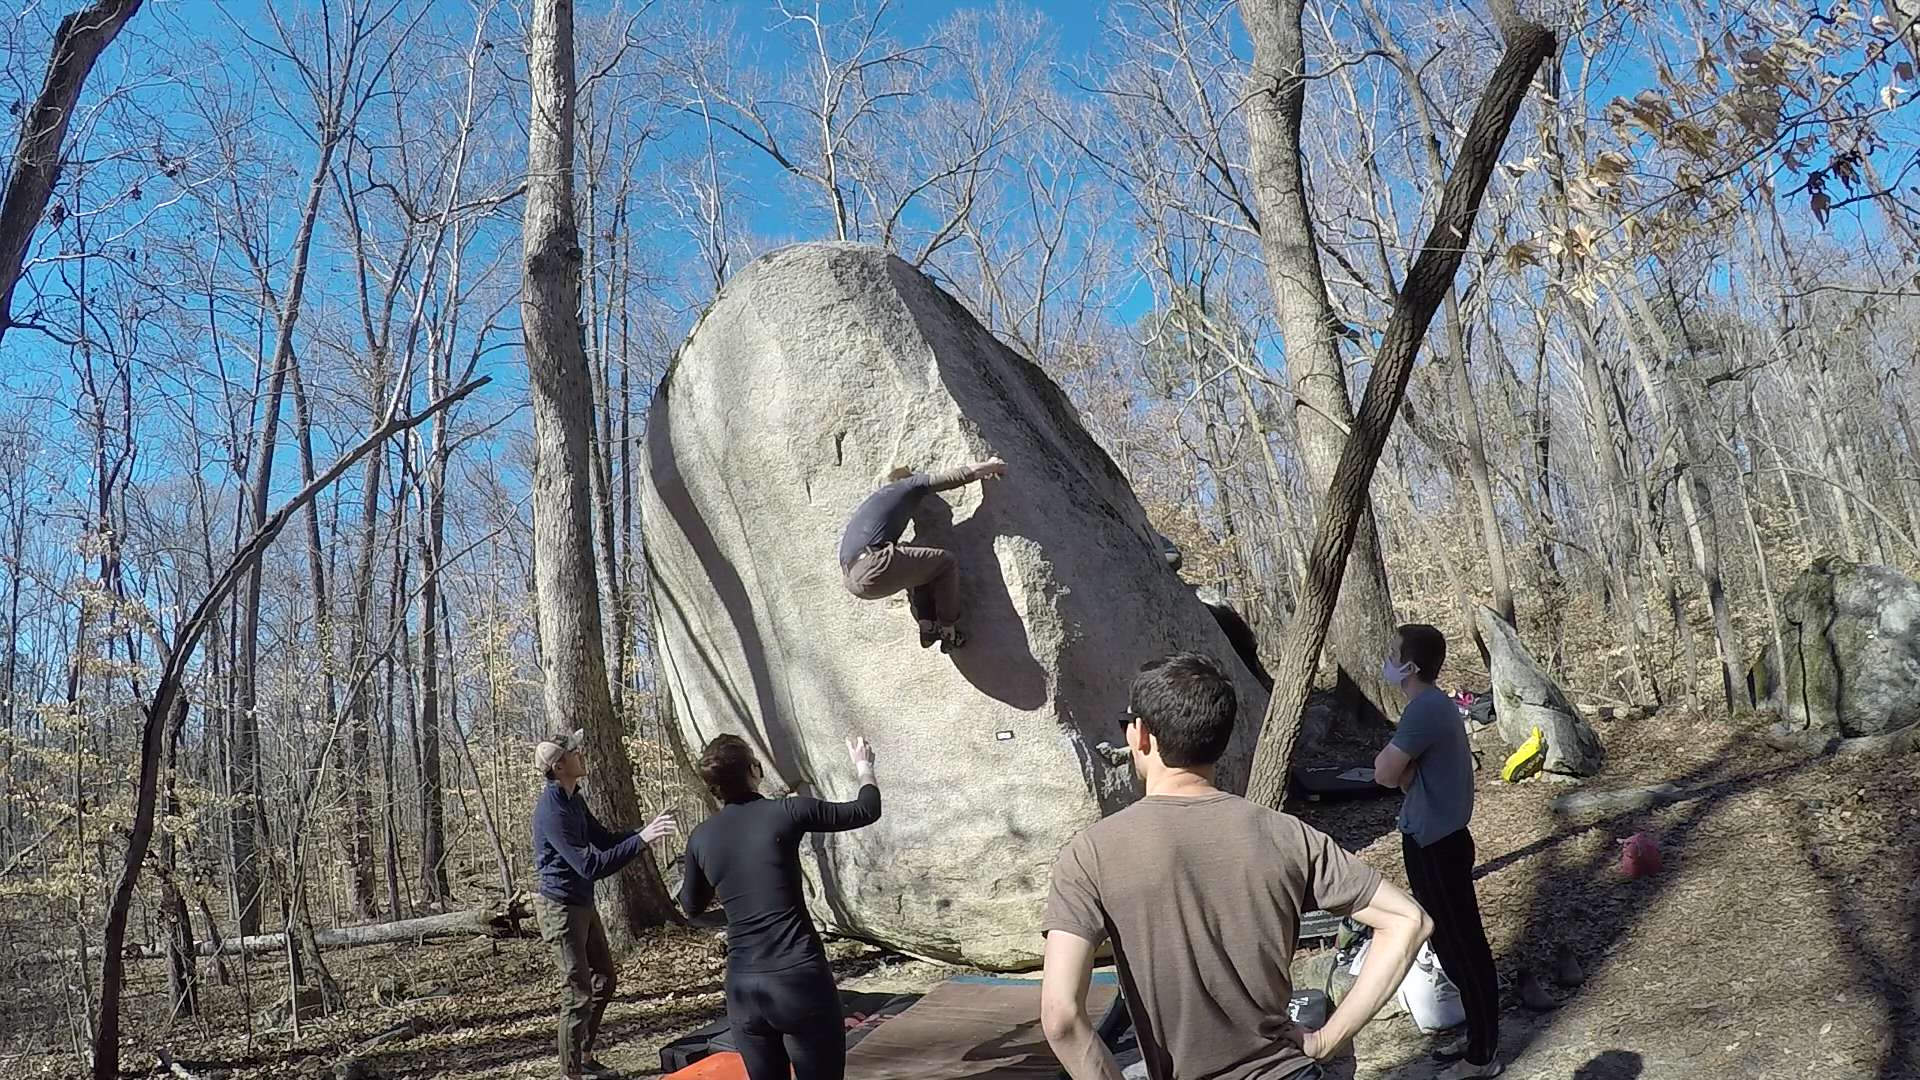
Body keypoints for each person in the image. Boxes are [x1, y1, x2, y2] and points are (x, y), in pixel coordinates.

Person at [1040, 653, 1432, 1080]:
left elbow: (1061, 1017)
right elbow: (1407, 920)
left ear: (1142, 735)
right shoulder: (1287, 835)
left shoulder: (1090, 854)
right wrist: (1326, 1039)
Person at [680, 734, 883, 1080]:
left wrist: (735, 907)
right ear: (754, 769)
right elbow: (866, 809)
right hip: (799, 981)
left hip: (744, 990)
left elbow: (692, 907)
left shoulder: (700, 837)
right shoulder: (787, 811)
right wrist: (864, 767)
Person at [1372, 624, 1502, 1079]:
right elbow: (1405, 776)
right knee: (1448, 942)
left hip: (1438, 844)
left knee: (1464, 945)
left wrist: (1396, 771)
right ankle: (1476, 1041)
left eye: (1394, 653)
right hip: (1434, 838)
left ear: (1411, 665)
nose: (1386, 658)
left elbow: (1386, 773)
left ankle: (1483, 1055)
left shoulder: (1425, 707)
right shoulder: (1430, 706)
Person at [531, 729, 679, 1080]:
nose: (581, 753)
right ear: (559, 764)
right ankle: (572, 1075)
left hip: (582, 903)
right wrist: (642, 840)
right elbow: (590, 865)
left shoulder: (573, 799)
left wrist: (646, 832)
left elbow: (606, 840)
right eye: (574, 752)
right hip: (560, 910)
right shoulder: (552, 810)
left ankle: (583, 1054)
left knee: (604, 979)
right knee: (577, 994)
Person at [839, 458, 1006, 652]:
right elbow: (952, 478)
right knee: (945, 563)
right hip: (872, 565)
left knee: (918, 565)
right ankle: (948, 629)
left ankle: (927, 624)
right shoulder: (905, 487)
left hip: (854, 581)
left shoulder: (877, 503)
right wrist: (991, 466)